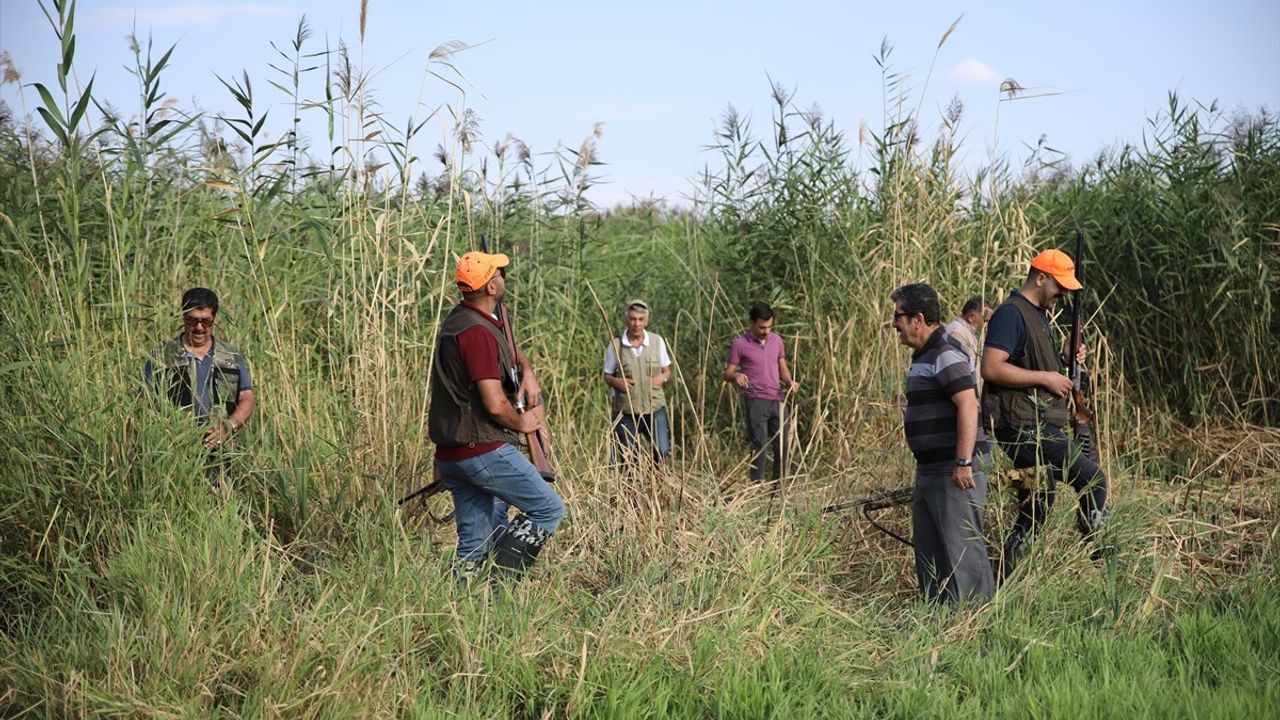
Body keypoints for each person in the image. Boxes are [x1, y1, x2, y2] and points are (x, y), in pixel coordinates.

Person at [428, 251, 565, 585]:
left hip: (454, 456)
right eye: (499, 273)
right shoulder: (476, 334)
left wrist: (527, 371)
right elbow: (493, 404)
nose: (504, 276)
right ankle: (499, 583)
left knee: (475, 544)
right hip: (482, 450)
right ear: (491, 286)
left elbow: (508, 349)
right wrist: (525, 424)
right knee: (549, 510)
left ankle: (457, 606)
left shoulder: (467, 319)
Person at [981, 248, 1109, 579]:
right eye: (1060, 286)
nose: (1064, 294)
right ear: (1040, 278)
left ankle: (1005, 582)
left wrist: (1064, 357)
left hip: (1033, 422)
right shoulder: (1011, 314)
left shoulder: (1036, 313)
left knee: (1038, 503)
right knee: (1093, 480)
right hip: (1022, 426)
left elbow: (1031, 363)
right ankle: (1103, 561)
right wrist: (1046, 377)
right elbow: (992, 368)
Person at [891, 283, 995, 603]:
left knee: (963, 553)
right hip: (930, 470)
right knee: (932, 557)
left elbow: (968, 404)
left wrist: (963, 462)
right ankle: (940, 628)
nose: (894, 323)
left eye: (899, 316)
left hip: (954, 471)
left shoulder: (946, 353)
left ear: (918, 319)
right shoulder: (925, 355)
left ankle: (977, 625)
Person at [144, 288, 255, 471]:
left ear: (214, 320)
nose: (199, 327)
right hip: (176, 457)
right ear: (183, 318)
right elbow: (146, 404)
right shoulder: (162, 356)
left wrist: (228, 426)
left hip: (224, 456)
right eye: (192, 320)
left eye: (206, 321)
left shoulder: (230, 355)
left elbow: (247, 399)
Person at [723, 301, 799, 483]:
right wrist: (736, 377)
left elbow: (782, 366)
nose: (766, 331)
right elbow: (727, 373)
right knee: (759, 445)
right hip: (756, 399)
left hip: (777, 399)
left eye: (769, 327)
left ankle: (779, 488)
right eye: (762, 327)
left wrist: (789, 381)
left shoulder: (776, 340)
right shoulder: (740, 344)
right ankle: (756, 486)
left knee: (783, 445)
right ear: (751, 322)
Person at [603, 299, 673, 468]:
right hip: (627, 410)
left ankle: (655, 484)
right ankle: (631, 492)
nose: (637, 324)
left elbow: (667, 371)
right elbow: (606, 375)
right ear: (627, 319)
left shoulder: (657, 341)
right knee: (629, 459)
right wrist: (617, 382)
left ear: (646, 321)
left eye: (641, 319)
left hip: (655, 407)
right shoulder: (616, 345)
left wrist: (661, 378)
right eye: (633, 319)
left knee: (662, 450)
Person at [945, 295, 993, 366]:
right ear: (971, 317)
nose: (986, 324)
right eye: (985, 320)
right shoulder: (957, 333)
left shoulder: (967, 333)